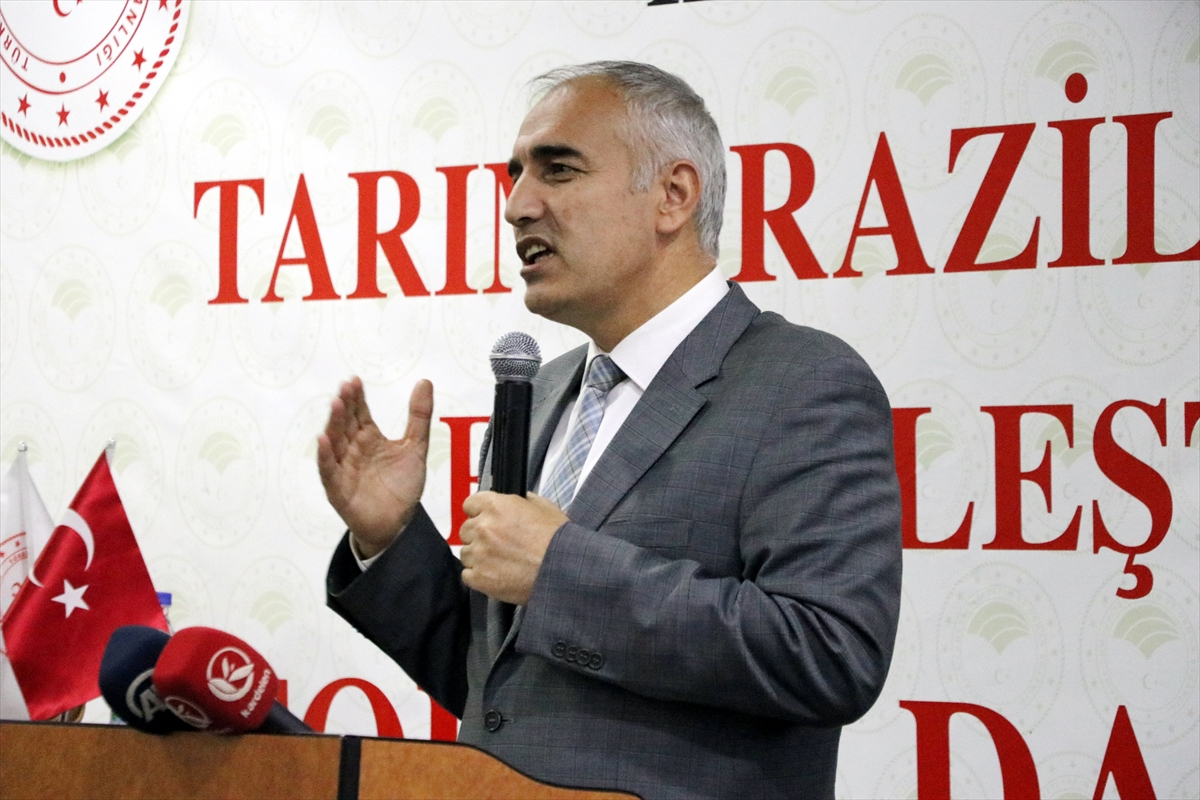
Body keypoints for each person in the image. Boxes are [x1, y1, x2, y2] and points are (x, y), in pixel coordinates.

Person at [319, 61, 901, 800]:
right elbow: (501, 688)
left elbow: (830, 655)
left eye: (558, 170)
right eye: (515, 175)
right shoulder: (540, 390)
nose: (517, 206)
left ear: (673, 195)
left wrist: (559, 570)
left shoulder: (802, 382)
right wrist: (390, 540)